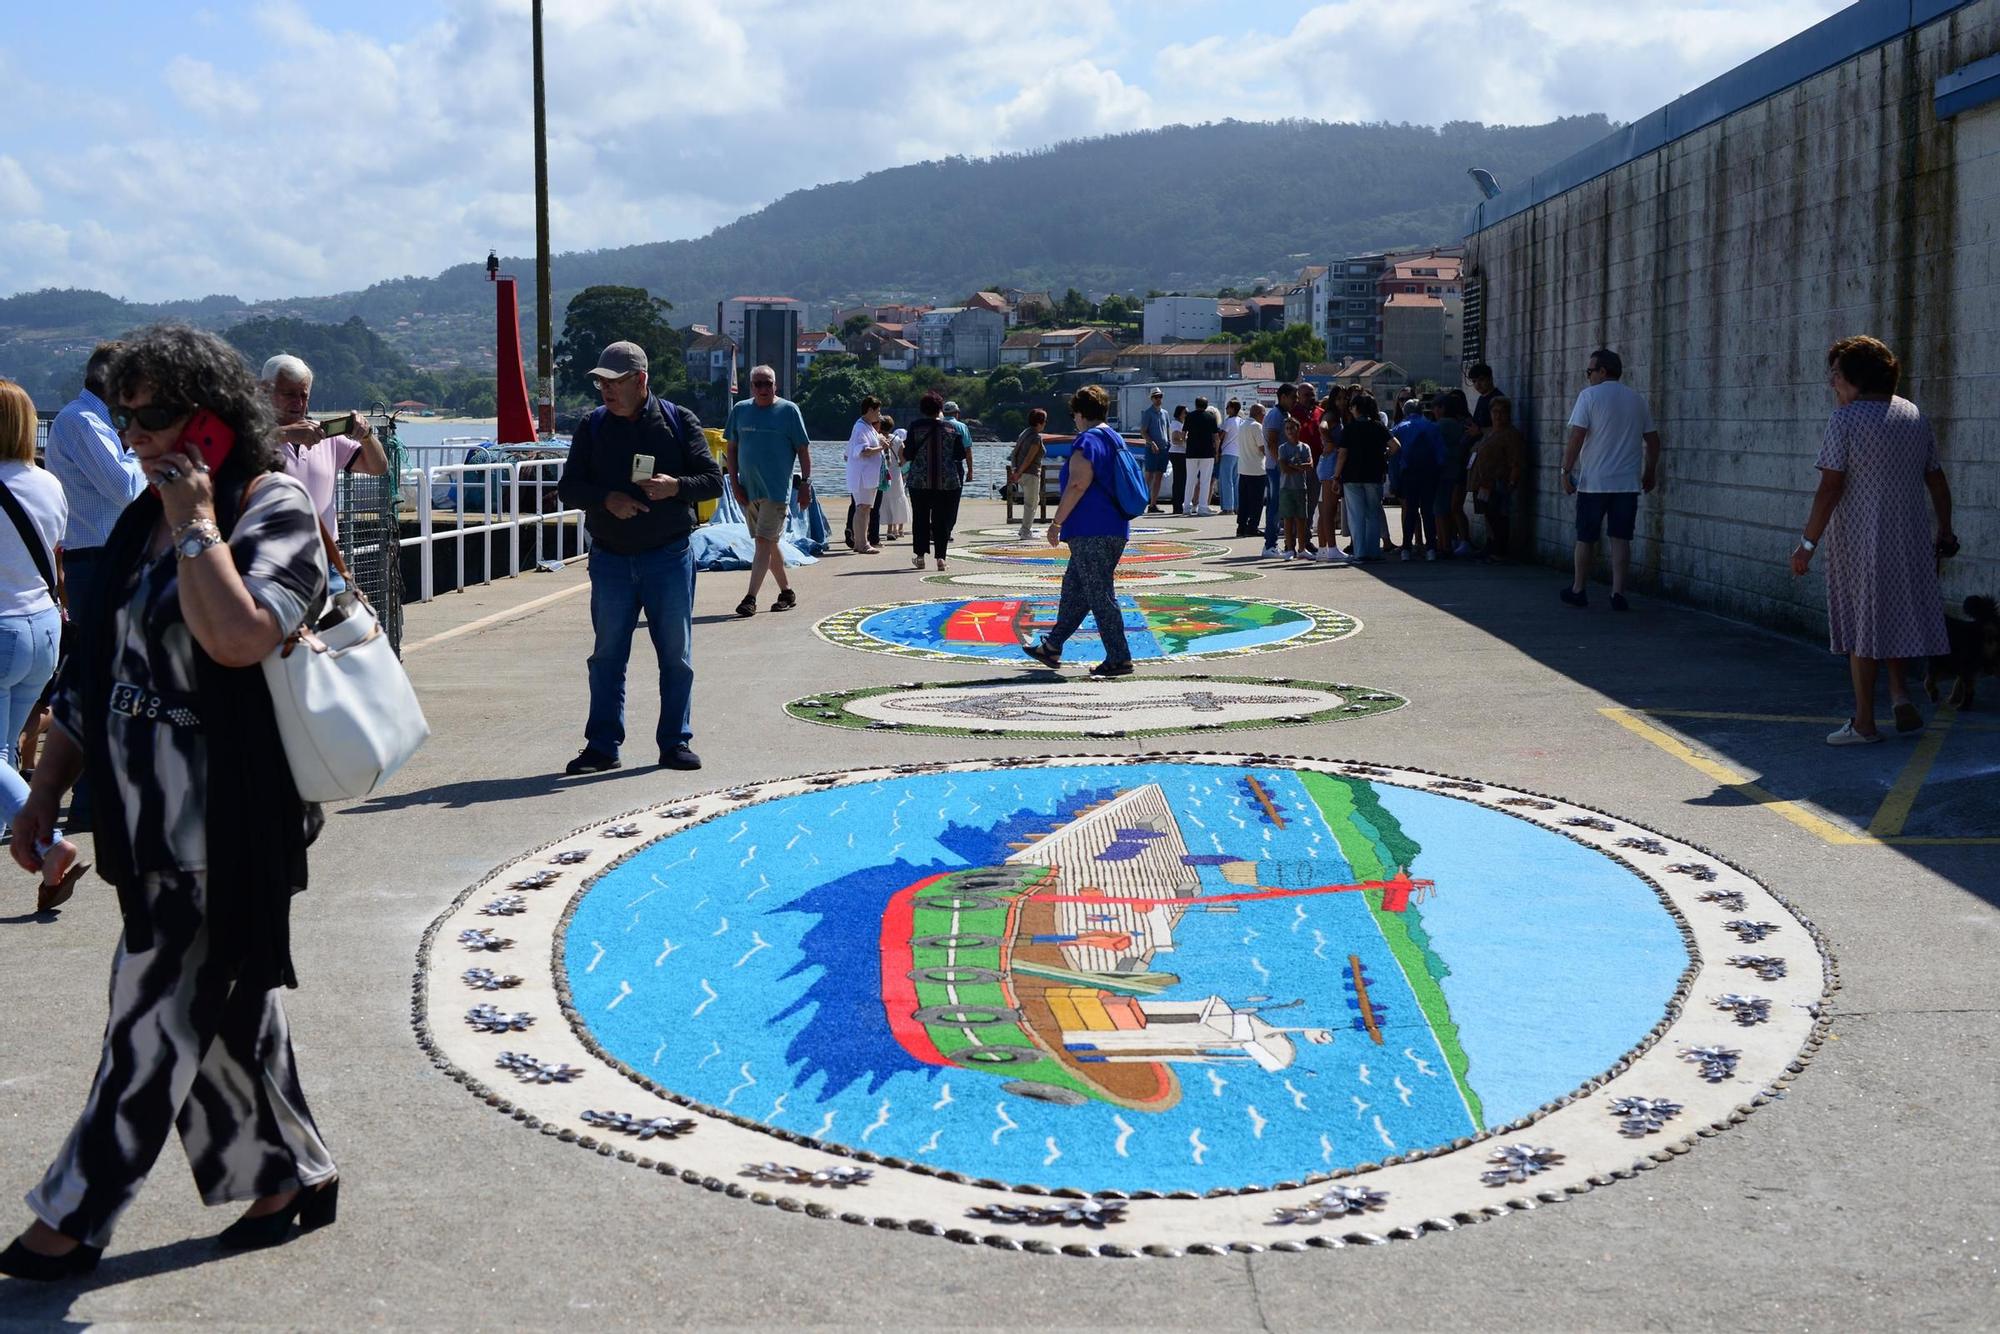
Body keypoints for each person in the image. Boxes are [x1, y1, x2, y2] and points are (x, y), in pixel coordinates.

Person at [2, 325, 336, 1280]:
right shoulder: (137, 519)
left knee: (149, 1015)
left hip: (222, 823)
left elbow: (239, 637)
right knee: (223, 1008)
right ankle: (286, 1175)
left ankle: (71, 1217)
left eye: (153, 415)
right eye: (123, 416)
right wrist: (48, 794)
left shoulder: (267, 510)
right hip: (139, 821)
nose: (135, 435)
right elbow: (93, 677)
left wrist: (199, 525)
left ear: (211, 415)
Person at [557, 340, 721, 775]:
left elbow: (712, 481)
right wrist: (606, 499)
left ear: (640, 381)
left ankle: (674, 743)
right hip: (610, 558)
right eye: (600, 383)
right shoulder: (592, 426)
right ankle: (602, 746)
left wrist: (675, 487)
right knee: (607, 656)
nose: (605, 391)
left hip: (668, 556)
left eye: (614, 383)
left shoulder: (677, 420)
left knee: (675, 655)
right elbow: (569, 488)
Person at [1790, 336, 1955, 744]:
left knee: (1864, 626)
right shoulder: (1912, 414)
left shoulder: (1845, 421)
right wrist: (1946, 529)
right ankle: (1900, 697)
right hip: (1910, 537)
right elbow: (1936, 478)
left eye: (1837, 376)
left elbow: (1830, 487)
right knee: (1893, 614)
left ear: (1856, 379)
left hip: (1863, 540)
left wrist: (1807, 544)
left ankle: (1864, 723)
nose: (1833, 384)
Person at [0, 381, 87, 912]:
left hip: (2, 625)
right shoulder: (48, 484)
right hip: (43, 628)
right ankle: (28, 836)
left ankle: (50, 845)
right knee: (5, 752)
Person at [1021, 385, 1133, 677]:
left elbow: (1078, 483)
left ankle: (1119, 657)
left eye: (1074, 414)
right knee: (1075, 590)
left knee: (1099, 594)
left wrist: (1057, 522)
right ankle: (1052, 646)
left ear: (1081, 414)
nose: (1074, 420)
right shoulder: (1114, 437)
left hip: (1091, 528)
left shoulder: (1088, 440)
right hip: (1114, 526)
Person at [45, 342, 146, 632]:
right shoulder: (83, 422)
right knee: (104, 662)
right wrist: (142, 443)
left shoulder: (92, 420)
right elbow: (124, 489)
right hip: (98, 563)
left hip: (102, 560)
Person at [262, 355, 390, 570]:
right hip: (271, 560)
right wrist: (283, 434)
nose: (298, 403)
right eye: (289, 394)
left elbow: (378, 467)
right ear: (266, 392)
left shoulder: (325, 437)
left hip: (324, 558)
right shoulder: (248, 437)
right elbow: (230, 450)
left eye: (303, 396)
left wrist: (366, 435)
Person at [1561, 348, 1662, 610]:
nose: (1588, 376)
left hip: (1594, 482)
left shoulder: (1589, 396)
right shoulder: (1636, 399)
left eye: (1590, 371)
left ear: (1602, 371)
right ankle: (1618, 593)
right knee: (1621, 538)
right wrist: (1650, 471)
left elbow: (1577, 437)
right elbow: (1653, 440)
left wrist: (1565, 470)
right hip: (1627, 484)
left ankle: (1579, 589)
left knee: (1585, 538)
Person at [724, 364, 813, 617]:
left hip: (776, 492)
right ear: (750, 386)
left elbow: (804, 451)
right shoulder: (740, 410)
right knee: (769, 543)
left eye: (768, 383)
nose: (763, 388)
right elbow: (731, 449)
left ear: (776, 385)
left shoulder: (789, 411)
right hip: (748, 490)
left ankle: (750, 598)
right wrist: (734, 484)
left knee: (763, 542)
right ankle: (787, 592)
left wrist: (805, 485)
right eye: (758, 384)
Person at [904, 391, 971, 570]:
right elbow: (960, 454)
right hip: (946, 481)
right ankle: (941, 559)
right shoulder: (951, 428)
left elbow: (908, 453)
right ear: (940, 409)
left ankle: (919, 557)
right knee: (941, 519)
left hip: (919, 481)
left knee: (920, 518)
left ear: (923, 409)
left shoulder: (915, 427)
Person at [1466, 395, 1525, 560]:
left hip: (1499, 483)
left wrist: (1512, 483)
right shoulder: (1490, 432)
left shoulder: (1510, 434)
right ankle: (1491, 546)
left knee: (1499, 517)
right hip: (1483, 483)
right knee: (1489, 516)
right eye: (1495, 411)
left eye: (1502, 412)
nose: (1498, 415)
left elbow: (1516, 462)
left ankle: (1500, 551)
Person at [1336, 392, 1391, 564]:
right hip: (1374, 475)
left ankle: (1360, 552)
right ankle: (1374, 551)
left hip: (1352, 476)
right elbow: (1396, 446)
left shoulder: (1349, 428)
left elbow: (1342, 454)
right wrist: (1384, 456)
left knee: (1356, 515)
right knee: (1373, 513)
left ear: (1356, 408)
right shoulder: (1378, 426)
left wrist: (1336, 475)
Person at [1390, 399, 1445, 560]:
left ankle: (1406, 549)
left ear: (1405, 411)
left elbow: (1394, 458)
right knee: (1428, 511)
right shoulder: (1433, 427)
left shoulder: (1399, 428)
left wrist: (1395, 481)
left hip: (1409, 474)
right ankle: (1431, 550)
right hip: (1429, 473)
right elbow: (1441, 454)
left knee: (1411, 512)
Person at [844, 395, 886, 554]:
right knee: (862, 508)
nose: (879, 414)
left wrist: (880, 442)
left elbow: (848, 452)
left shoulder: (867, 427)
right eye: (878, 411)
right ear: (870, 410)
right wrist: (881, 447)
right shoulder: (861, 427)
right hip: (862, 476)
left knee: (865, 508)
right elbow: (864, 451)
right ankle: (862, 543)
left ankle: (860, 542)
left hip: (868, 476)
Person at [1436, 390, 1474, 557]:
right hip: (1461, 468)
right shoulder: (1465, 423)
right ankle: (1458, 540)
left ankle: (1455, 541)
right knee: (1453, 508)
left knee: (1450, 508)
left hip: (1453, 470)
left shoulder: (1449, 424)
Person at [1261, 384, 1294, 557]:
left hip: (1279, 467)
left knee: (1278, 507)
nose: (1295, 400)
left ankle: (1273, 544)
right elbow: (1272, 442)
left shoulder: (1284, 414)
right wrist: (1281, 463)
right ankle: (1269, 545)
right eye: (1292, 396)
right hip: (1275, 468)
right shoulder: (1275, 415)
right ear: (1282, 397)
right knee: (1274, 506)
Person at [1006, 409, 1048, 540]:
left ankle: (1024, 529)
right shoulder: (1036, 438)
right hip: (1031, 474)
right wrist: (1019, 472)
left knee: (1031, 502)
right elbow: (1029, 458)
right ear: (1040, 422)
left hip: (1022, 473)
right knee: (1032, 503)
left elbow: (1014, 453)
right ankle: (1025, 531)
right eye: (1045, 421)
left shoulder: (1024, 433)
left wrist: (1015, 470)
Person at [1277, 416, 1313, 559]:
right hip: (1286, 487)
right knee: (1288, 519)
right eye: (1287, 429)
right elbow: (1284, 468)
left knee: (1301, 519)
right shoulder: (1283, 448)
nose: (1290, 431)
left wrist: (1294, 466)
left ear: (1298, 428)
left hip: (1300, 487)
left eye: (1292, 428)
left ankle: (1302, 548)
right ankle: (1289, 548)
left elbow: (1309, 465)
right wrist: (1298, 467)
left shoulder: (1305, 447)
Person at [1231, 402, 1268, 539]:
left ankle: (1241, 526)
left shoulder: (1242, 425)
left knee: (1244, 500)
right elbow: (1262, 448)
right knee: (1257, 501)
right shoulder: (1257, 427)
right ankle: (1253, 526)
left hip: (1244, 467)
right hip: (1257, 468)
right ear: (1258, 414)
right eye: (1263, 414)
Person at [1182, 396, 1220, 515]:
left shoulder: (1189, 416)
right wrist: (1216, 451)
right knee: (1205, 480)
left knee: (1190, 480)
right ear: (1206, 405)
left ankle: (1186, 507)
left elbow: (1183, 435)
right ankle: (1203, 507)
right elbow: (1216, 437)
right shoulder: (1211, 417)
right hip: (1207, 452)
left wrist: (1186, 443)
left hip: (1191, 452)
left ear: (1196, 404)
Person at [877, 414, 909, 542]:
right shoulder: (898, 440)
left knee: (884, 499)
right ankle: (894, 529)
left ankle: (887, 529)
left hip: (882, 472)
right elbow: (903, 459)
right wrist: (899, 464)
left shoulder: (878, 438)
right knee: (897, 499)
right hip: (895, 473)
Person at [1140, 389, 1170, 513]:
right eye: (1156, 397)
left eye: (1160, 396)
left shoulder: (1165, 413)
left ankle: (1153, 504)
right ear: (1152, 398)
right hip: (1152, 448)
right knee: (1149, 476)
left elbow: (1167, 429)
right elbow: (1143, 431)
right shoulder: (1148, 413)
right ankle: (1141, 503)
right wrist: (1151, 442)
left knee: (1159, 476)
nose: (1158, 399)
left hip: (1164, 448)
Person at [1216, 397, 1242, 514]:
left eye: (1228, 407)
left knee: (1226, 480)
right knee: (1235, 481)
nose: (1226, 409)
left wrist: (1216, 449)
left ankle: (1228, 507)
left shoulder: (1228, 421)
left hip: (1228, 452)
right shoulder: (1241, 421)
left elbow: (1220, 437)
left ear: (1232, 409)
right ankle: (1237, 506)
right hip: (1238, 453)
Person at [1167, 404, 1189, 514]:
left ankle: (1180, 503)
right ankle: (1177, 505)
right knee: (1179, 480)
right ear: (1180, 413)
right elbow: (1175, 439)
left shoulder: (1182, 424)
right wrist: (1186, 442)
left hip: (1181, 453)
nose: (1186, 414)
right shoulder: (1176, 424)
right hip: (1177, 453)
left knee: (1182, 480)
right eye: (1185, 412)